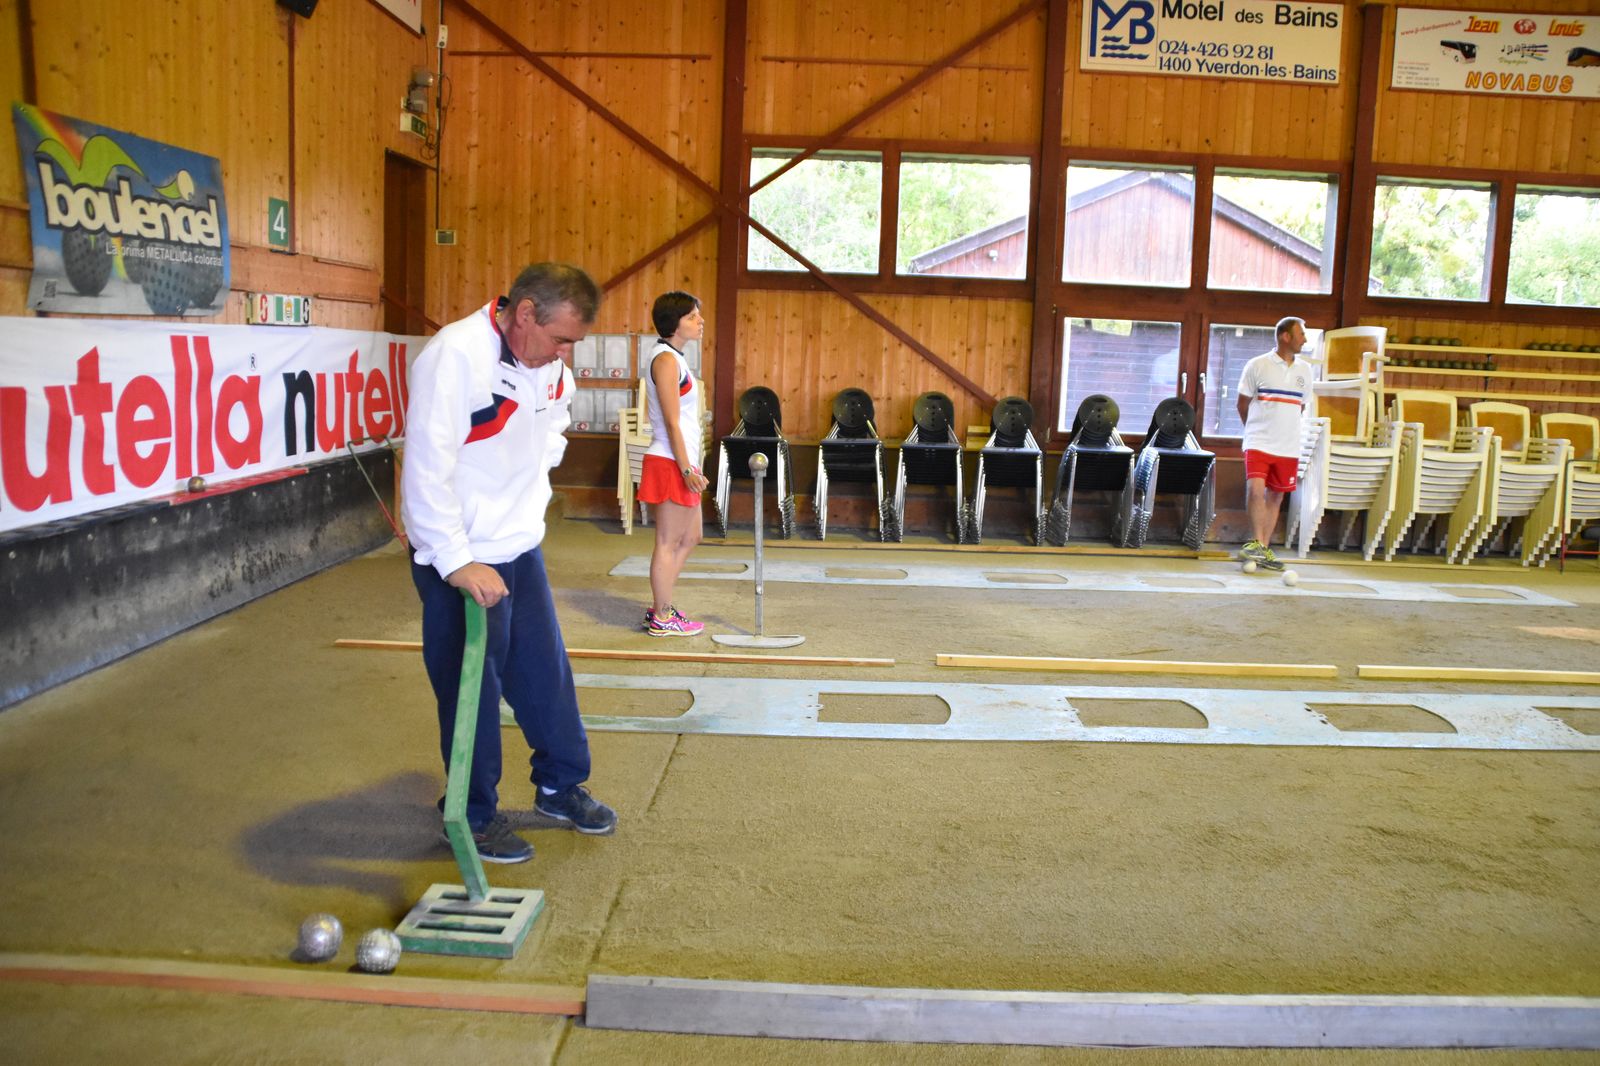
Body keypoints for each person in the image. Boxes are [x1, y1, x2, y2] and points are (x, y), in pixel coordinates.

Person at [401, 263, 617, 865]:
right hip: (461, 557)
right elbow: (426, 470)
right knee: (471, 690)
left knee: (544, 673)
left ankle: (559, 786)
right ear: (524, 313)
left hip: (519, 548)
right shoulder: (455, 357)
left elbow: (551, 434)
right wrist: (457, 561)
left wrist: (524, 515)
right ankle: (470, 817)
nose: (566, 353)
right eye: (561, 338)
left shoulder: (551, 368)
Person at [638, 290, 709, 636]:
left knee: (692, 535)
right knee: (667, 542)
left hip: (681, 460)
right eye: (692, 316)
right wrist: (686, 469)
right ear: (674, 323)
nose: (700, 321)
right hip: (670, 461)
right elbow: (671, 422)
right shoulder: (665, 360)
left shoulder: (675, 358)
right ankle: (663, 616)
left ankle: (661, 604)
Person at [1234, 316, 1313, 572]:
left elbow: (1301, 407)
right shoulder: (1257, 365)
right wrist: (1254, 429)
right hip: (1258, 441)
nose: (1305, 340)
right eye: (1301, 334)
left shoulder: (1305, 370)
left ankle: (1263, 549)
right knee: (1256, 491)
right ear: (1285, 336)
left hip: (1288, 445)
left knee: (1276, 496)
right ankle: (1257, 543)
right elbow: (1242, 404)